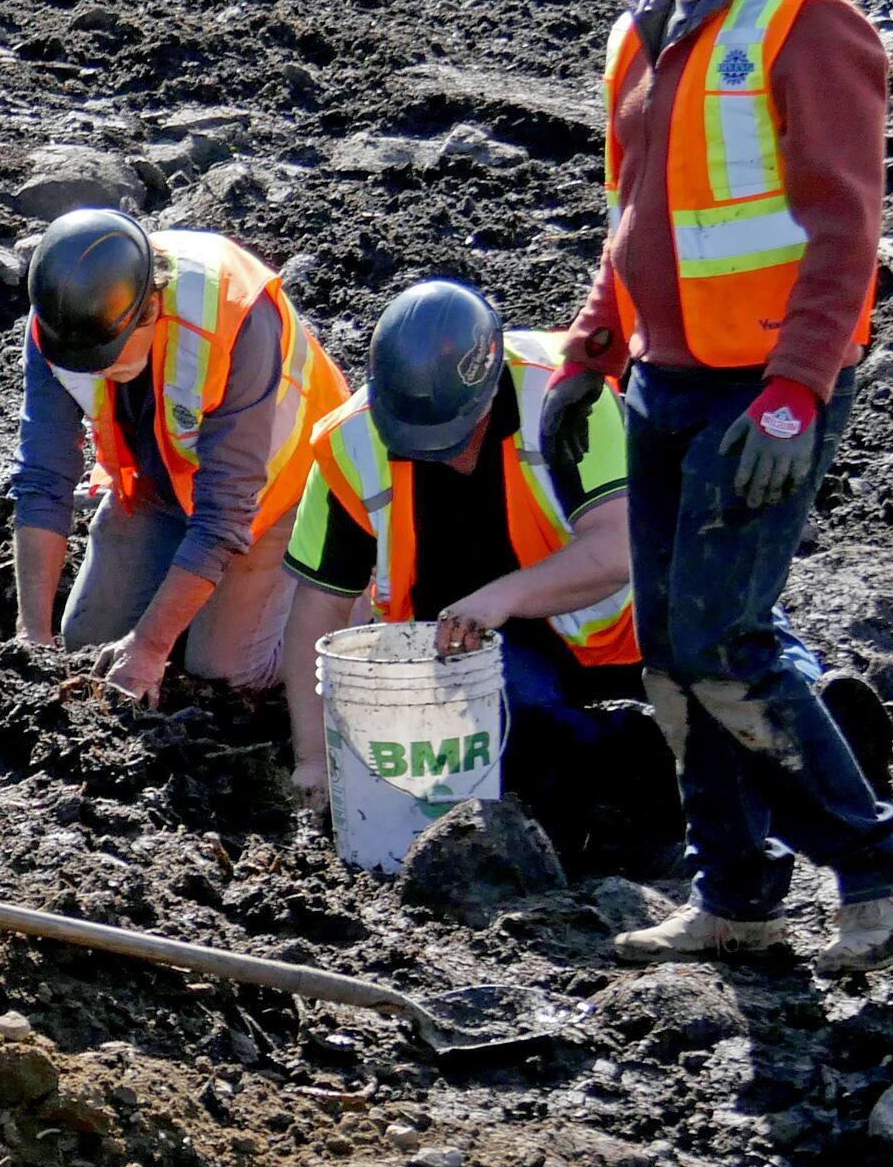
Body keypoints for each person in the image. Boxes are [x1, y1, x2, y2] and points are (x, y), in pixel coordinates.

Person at [543, 0, 893, 974]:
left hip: (764, 391)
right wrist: (586, 355)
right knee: (667, 654)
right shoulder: (641, 29)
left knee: (722, 645)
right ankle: (737, 895)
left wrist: (793, 392)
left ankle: (875, 868)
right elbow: (633, 218)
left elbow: (844, 230)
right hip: (665, 377)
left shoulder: (801, 22)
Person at [280, 282, 671, 865]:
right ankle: (619, 780)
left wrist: (499, 599)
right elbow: (318, 609)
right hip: (475, 663)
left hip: (630, 637)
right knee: (519, 731)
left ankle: (671, 765)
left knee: (724, 665)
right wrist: (313, 760)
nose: (451, 456)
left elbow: (618, 551)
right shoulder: (351, 441)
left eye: (462, 435)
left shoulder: (565, 390)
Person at [14, 208, 349, 705]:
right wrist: (30, 636)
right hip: (166, 476)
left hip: (285, 490)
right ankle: (198, 602)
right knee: (87, 643)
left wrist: (150, 646)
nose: (100, 375)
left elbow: (224, 515)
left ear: (150, 309)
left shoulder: (233, 317)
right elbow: (42, 478)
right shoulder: (64, 320)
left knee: (222, 674)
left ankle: (342, 602)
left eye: (111, 360)